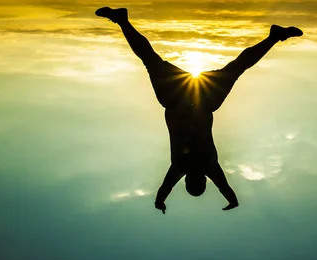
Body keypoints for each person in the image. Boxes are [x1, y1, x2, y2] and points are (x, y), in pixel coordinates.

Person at [95, 7, 303, 214]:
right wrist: (231, 200)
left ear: (189, 181)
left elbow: (170, 188)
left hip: (179, 98)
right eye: (198, 182)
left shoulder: (188, 168)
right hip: (200, 99)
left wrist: (161, 201)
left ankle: (122, 20)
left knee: (155, 60)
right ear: (202, 180)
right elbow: (221, 188)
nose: (195, 177)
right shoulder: (200, 167)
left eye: (192, 182)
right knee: (234, 67)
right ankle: (275, 36)